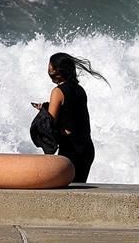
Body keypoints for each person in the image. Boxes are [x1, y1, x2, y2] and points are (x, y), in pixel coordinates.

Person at [30, 52, 108, 182]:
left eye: (50, 67)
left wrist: (43, 112)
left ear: (57, 70)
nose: (48, 70)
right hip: (87, 148)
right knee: (79, 189)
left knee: (67, 193)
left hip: (71, 148)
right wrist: (46, 106)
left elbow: (50, 123)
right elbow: (72, 113)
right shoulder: (80, 90)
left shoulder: (57, 91)